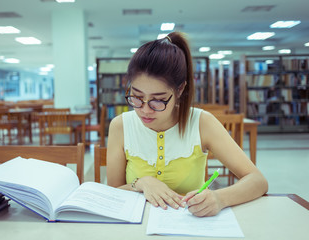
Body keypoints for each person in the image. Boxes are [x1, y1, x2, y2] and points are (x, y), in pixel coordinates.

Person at [106, 32, 268, 217]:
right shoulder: (120, 125)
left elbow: (258, 181)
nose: (145, 110)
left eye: (158, 100)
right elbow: (113, 192)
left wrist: (220, 198)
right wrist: (142, 183)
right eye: (137, 96)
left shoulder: (201, 123)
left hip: (191, 226)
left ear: (180, 89)